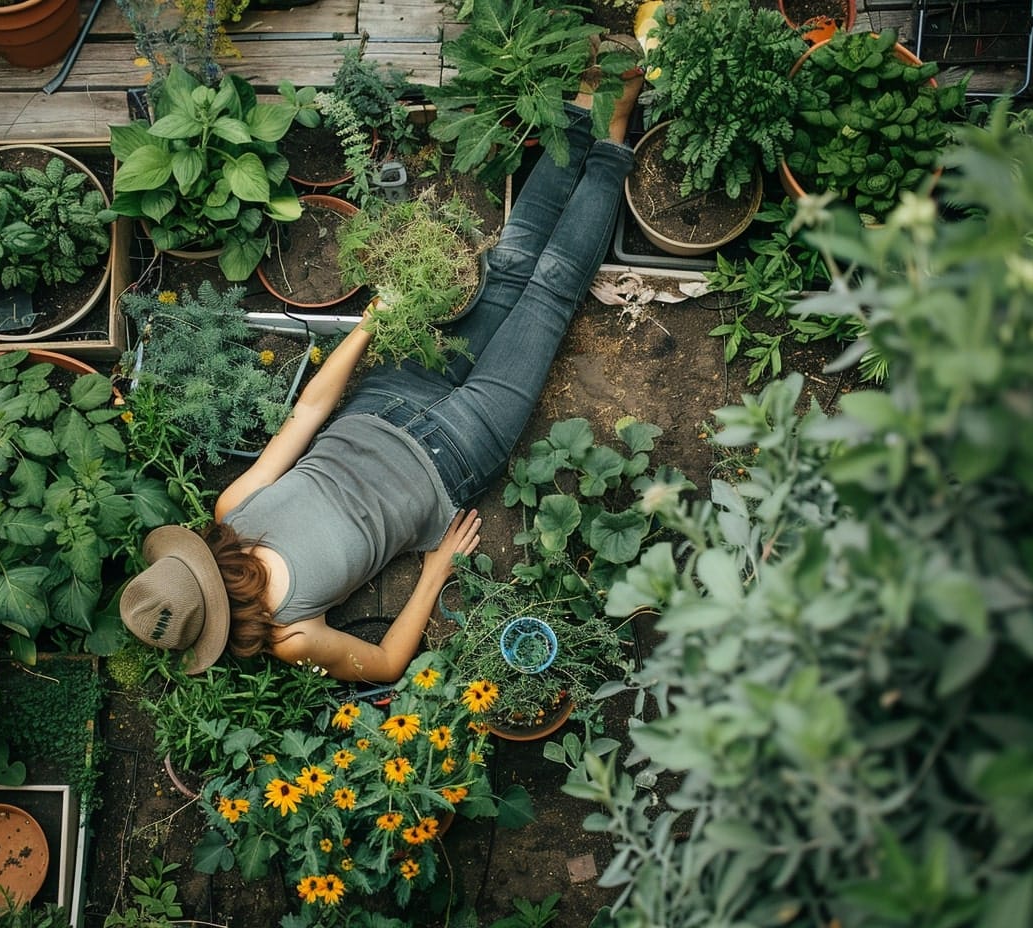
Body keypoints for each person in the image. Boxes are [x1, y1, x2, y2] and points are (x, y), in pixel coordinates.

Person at [119, 44, 644, 682]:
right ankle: (605, 125)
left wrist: (370, 322)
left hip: (401, 407)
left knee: (523, 279)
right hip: (450, 447)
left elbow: (310, 411)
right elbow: (390, 664)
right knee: (537, 287)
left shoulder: (238, 518)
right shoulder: (287, 626)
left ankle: (590, 116)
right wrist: (435, 572)